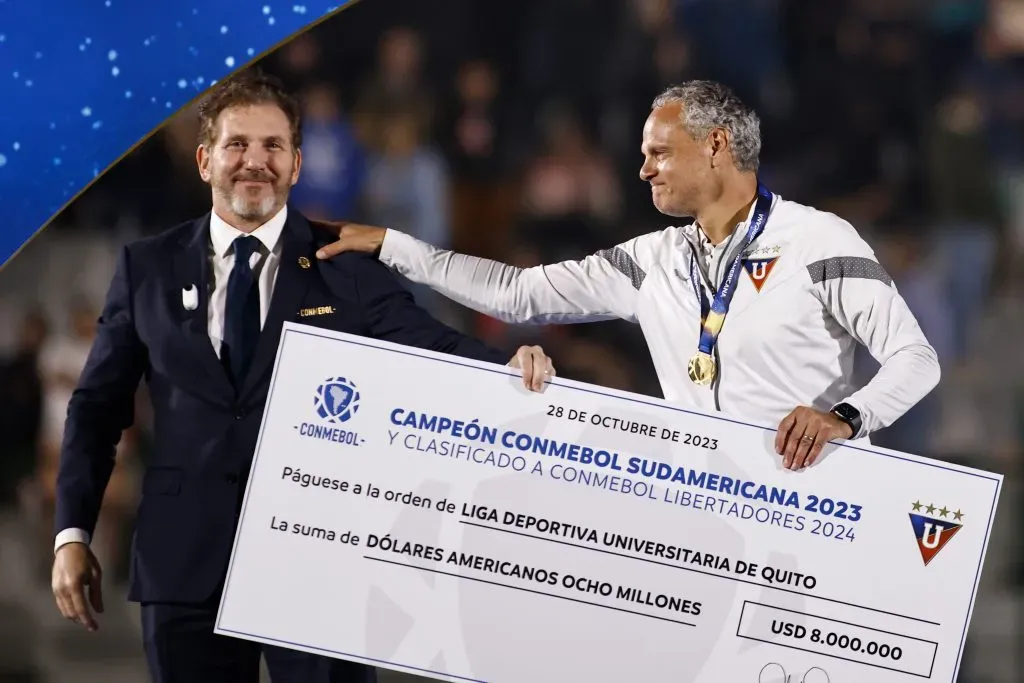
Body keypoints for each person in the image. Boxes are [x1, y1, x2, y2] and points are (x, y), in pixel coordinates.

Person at [49, 69, 555, 683]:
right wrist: (73, 532)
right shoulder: (146, 267)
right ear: (205, 160)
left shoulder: (344, 264)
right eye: (237, 145)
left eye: (272, 147)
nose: (254, 162)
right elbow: (98, 407)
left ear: (296, 165)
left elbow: (431, 342)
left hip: (321, 566)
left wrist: (504, 367)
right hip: (183, 564)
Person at [315, 80, 941, 471]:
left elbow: (916, 358)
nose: (643, 170)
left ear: (716, 146)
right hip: (705, 518)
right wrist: (394, 246)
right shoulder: (652, 260)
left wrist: (846, 418)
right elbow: (518, 293)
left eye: (659, 152)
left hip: (815, 509)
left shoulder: (820, 240)